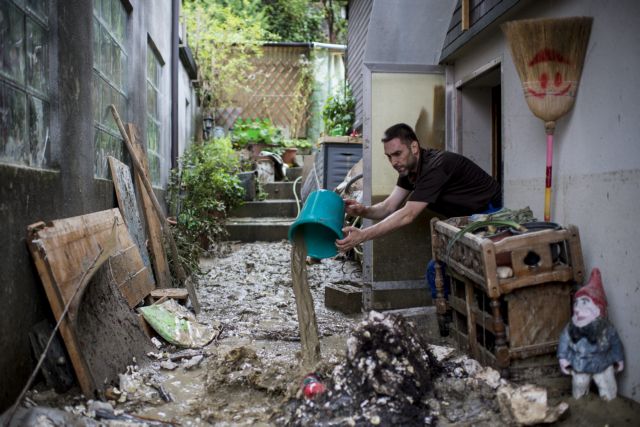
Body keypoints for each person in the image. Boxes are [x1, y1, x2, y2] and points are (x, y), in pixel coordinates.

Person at [335, 122, 501, 253]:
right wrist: (363, 211)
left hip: (493, 213)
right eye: (389, 157)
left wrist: (363, 235)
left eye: (397, 154)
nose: (393, 162)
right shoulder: (409, 170)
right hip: (468, 219)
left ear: (414, 147)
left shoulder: (437, 166)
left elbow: (408, 215)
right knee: (443, 269)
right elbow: (388, 206)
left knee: (450, 270)